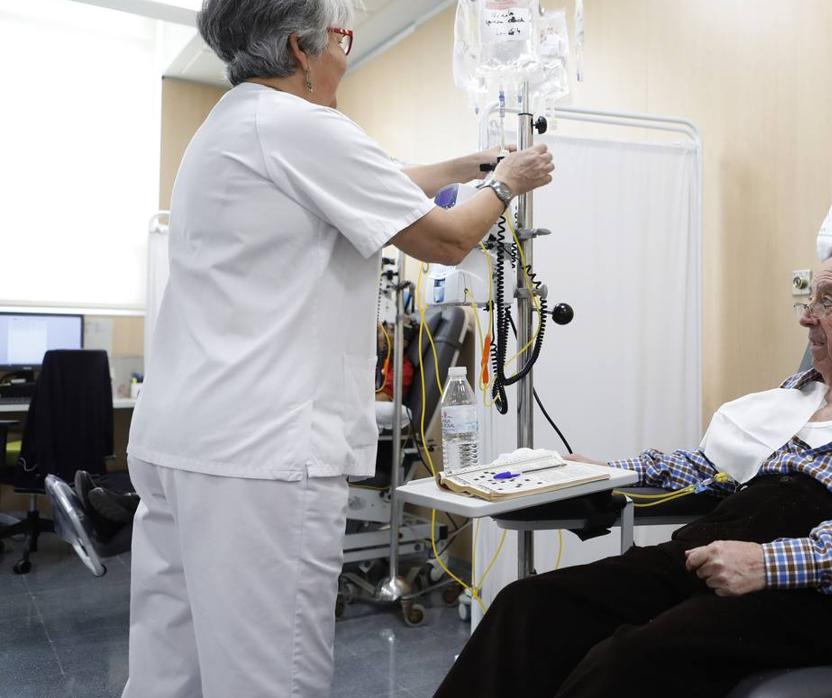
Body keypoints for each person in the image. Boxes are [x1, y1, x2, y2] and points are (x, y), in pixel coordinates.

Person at [123, 1, 555, 696]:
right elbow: (445, 238)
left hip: (183, 440)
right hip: (258, 458)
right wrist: (507, 183)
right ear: (302, 48)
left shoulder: (232, 123)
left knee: (172, 676)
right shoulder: (303, 126)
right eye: (342, 40)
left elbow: (367, 186)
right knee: (270, 680)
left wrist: (465, 165)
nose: (344, 55)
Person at [435, 245, 832, 698]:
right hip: (712, 552)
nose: (806, 316)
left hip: (823, 593)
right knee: (531, 608)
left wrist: (771, 562)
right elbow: (708, 466)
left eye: (828, 300)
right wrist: (608, 470)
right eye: (808, 298)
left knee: (628, 659)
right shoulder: (792, 396)